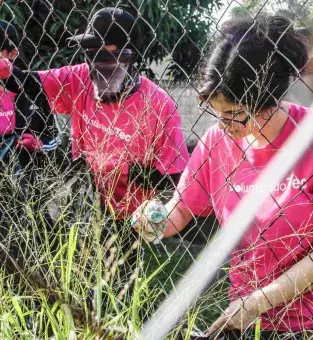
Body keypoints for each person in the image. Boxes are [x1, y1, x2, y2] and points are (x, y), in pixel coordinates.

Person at [133, 15, 313, 339]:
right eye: (217, 113)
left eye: (232, 114)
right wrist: (151, 217)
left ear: (267, 101)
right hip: (244, 320)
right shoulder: (216, 142)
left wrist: (258, 302)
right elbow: (180, 209)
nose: (223, 125)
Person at [0, 8, 189, 289]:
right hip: (84, 205)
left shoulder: (159, 105)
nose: (93, 61)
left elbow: (175, 179)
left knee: (115, 289)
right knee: (74, 283)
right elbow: (29, 83)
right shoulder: (80, 79)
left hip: (130, 216)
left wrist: (124, 170)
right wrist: (6, 68)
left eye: (103, 52)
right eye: (89, 51)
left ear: (128, 53)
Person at [0, 20, 62, 278]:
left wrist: (38, 144)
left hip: (30, 199)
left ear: (12, 54)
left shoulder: (33, 88)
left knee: (35, 268)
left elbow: (55, 138)